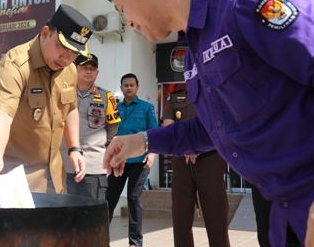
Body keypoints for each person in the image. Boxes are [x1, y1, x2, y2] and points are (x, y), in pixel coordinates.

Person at [101, 0, 314, 246]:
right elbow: (213, 129)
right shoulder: (193, 55)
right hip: (281, 214)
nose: (128, 23)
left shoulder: (245, 2)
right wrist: (143, 140)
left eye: (122, 8)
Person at [0, 4, 94, 193]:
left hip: (54, 177)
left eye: (74, 53)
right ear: (45, 33)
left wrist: (75, 149)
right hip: (17, 179)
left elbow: (71, 109)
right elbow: (2, 114)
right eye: (62, 47)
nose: (66, 58)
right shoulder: (15, 65)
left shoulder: (70, 70)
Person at [163, 87, 229, 247]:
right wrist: (187, 146)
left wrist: (197, 146)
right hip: (181, 162)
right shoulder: (174, 98)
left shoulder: (217, 93)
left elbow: (223, 127)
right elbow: (168, 127)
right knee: (181, 219)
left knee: (216, 219)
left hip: (210, 159)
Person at [106, 73, 158, 247]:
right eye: (125, 85)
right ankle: (100, 236)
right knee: (110, 198)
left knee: (133, 198)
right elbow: (108, 132)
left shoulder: (147, 107)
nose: (128, 87)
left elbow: (154, 132)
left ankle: (135, 242)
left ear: (137, 87)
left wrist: (152, 154)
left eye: (131, 85)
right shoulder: (114, 108)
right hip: (118, 161)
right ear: (121, 88)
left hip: (139, 161)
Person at [61, 54, 120, 200]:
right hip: (64, 165)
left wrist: (107, 154)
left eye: (92, 68)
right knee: (65, 217)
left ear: (97, 73)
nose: (89, 71)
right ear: (75, 69)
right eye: (84, 68)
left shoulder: (107, 96)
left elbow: (112, 127)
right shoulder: (62, 93)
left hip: (94, 166)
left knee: (92, 216)